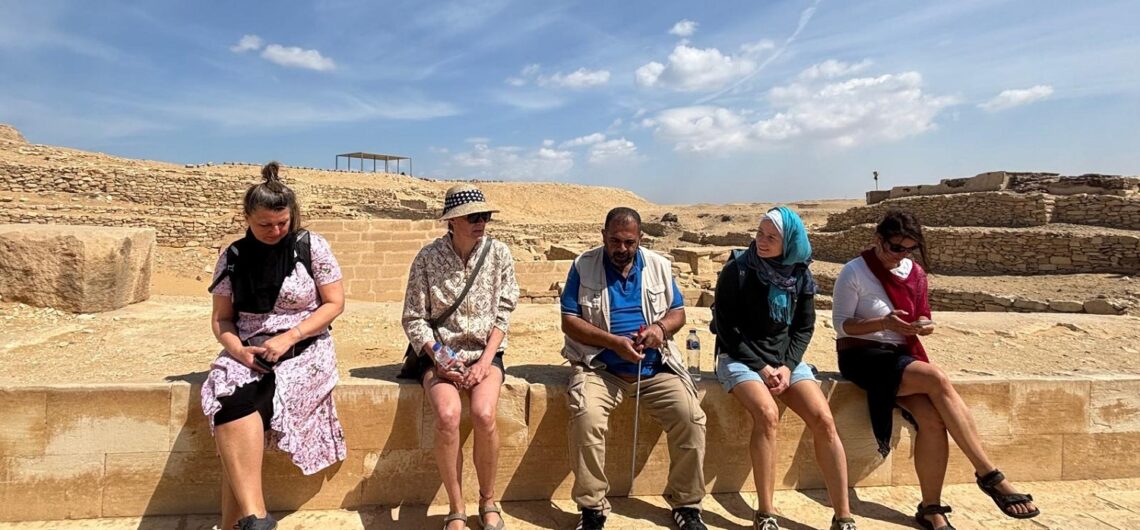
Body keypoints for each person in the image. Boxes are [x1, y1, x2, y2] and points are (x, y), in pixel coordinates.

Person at [832, 210, 1040, 530]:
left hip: (902, 355)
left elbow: (925, 315)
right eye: (895, 247)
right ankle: (989, 474)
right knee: (937, 378)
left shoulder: (913, 272)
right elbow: (842, 325)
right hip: (862, 356)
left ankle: (931, 509)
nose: (901, 255)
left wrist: (922, 325)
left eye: (908, 249)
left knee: (931, 420)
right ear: (878, 239)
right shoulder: (854, 272)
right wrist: (884, 323)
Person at [201, 161, 347, 530]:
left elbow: (334, 303)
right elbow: (222, 319)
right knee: (230, 401)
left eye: (282, 223)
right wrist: (238, 351)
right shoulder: (233, 257)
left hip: (305, 347)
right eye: (265, 224)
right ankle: (256, 518)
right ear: (247, 217)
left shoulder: (309, 246)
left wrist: (291, 336)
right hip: (248, 348)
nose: (275, 231)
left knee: (257, 401)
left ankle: (246, 521)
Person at [560, 207, 708, 530]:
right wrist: (613, 343)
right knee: (585, 416)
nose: (622, 249)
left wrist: (660, 329)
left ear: (640, 239)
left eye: (629, 242)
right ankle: (592, 508)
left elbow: (678, 312)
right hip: (601, 368)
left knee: (692, 417)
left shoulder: (658, 266)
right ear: (603, 236)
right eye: (615, 241)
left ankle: (687, 504)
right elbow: (569, 321)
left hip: (655, 370)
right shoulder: (583, 266)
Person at [712, 207, 856, 530]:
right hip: (740, 356)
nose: (762, 242)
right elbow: (727, 328)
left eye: (771, 237)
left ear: (788, 242)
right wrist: (762, 369)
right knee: (767, 413)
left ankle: (843, 516)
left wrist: (788, 367)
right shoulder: (738, 269)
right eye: (760, 234)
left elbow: (804, 327)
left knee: (824, 419)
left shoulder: (800, 275)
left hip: (784, 360)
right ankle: (766, 513)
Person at [402, 184, 519, 530]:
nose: (481, 222)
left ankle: (488, 500)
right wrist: (439, 358)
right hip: (439, 355)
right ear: (452, 221)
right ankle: (456, 507)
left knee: (484, 414)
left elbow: (504, 313)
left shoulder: (499, 254)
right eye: (474, 217)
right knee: (448, 415)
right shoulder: (427, 258)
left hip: (485, 354)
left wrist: (484, 362)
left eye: (485, 216)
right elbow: (413, 317)